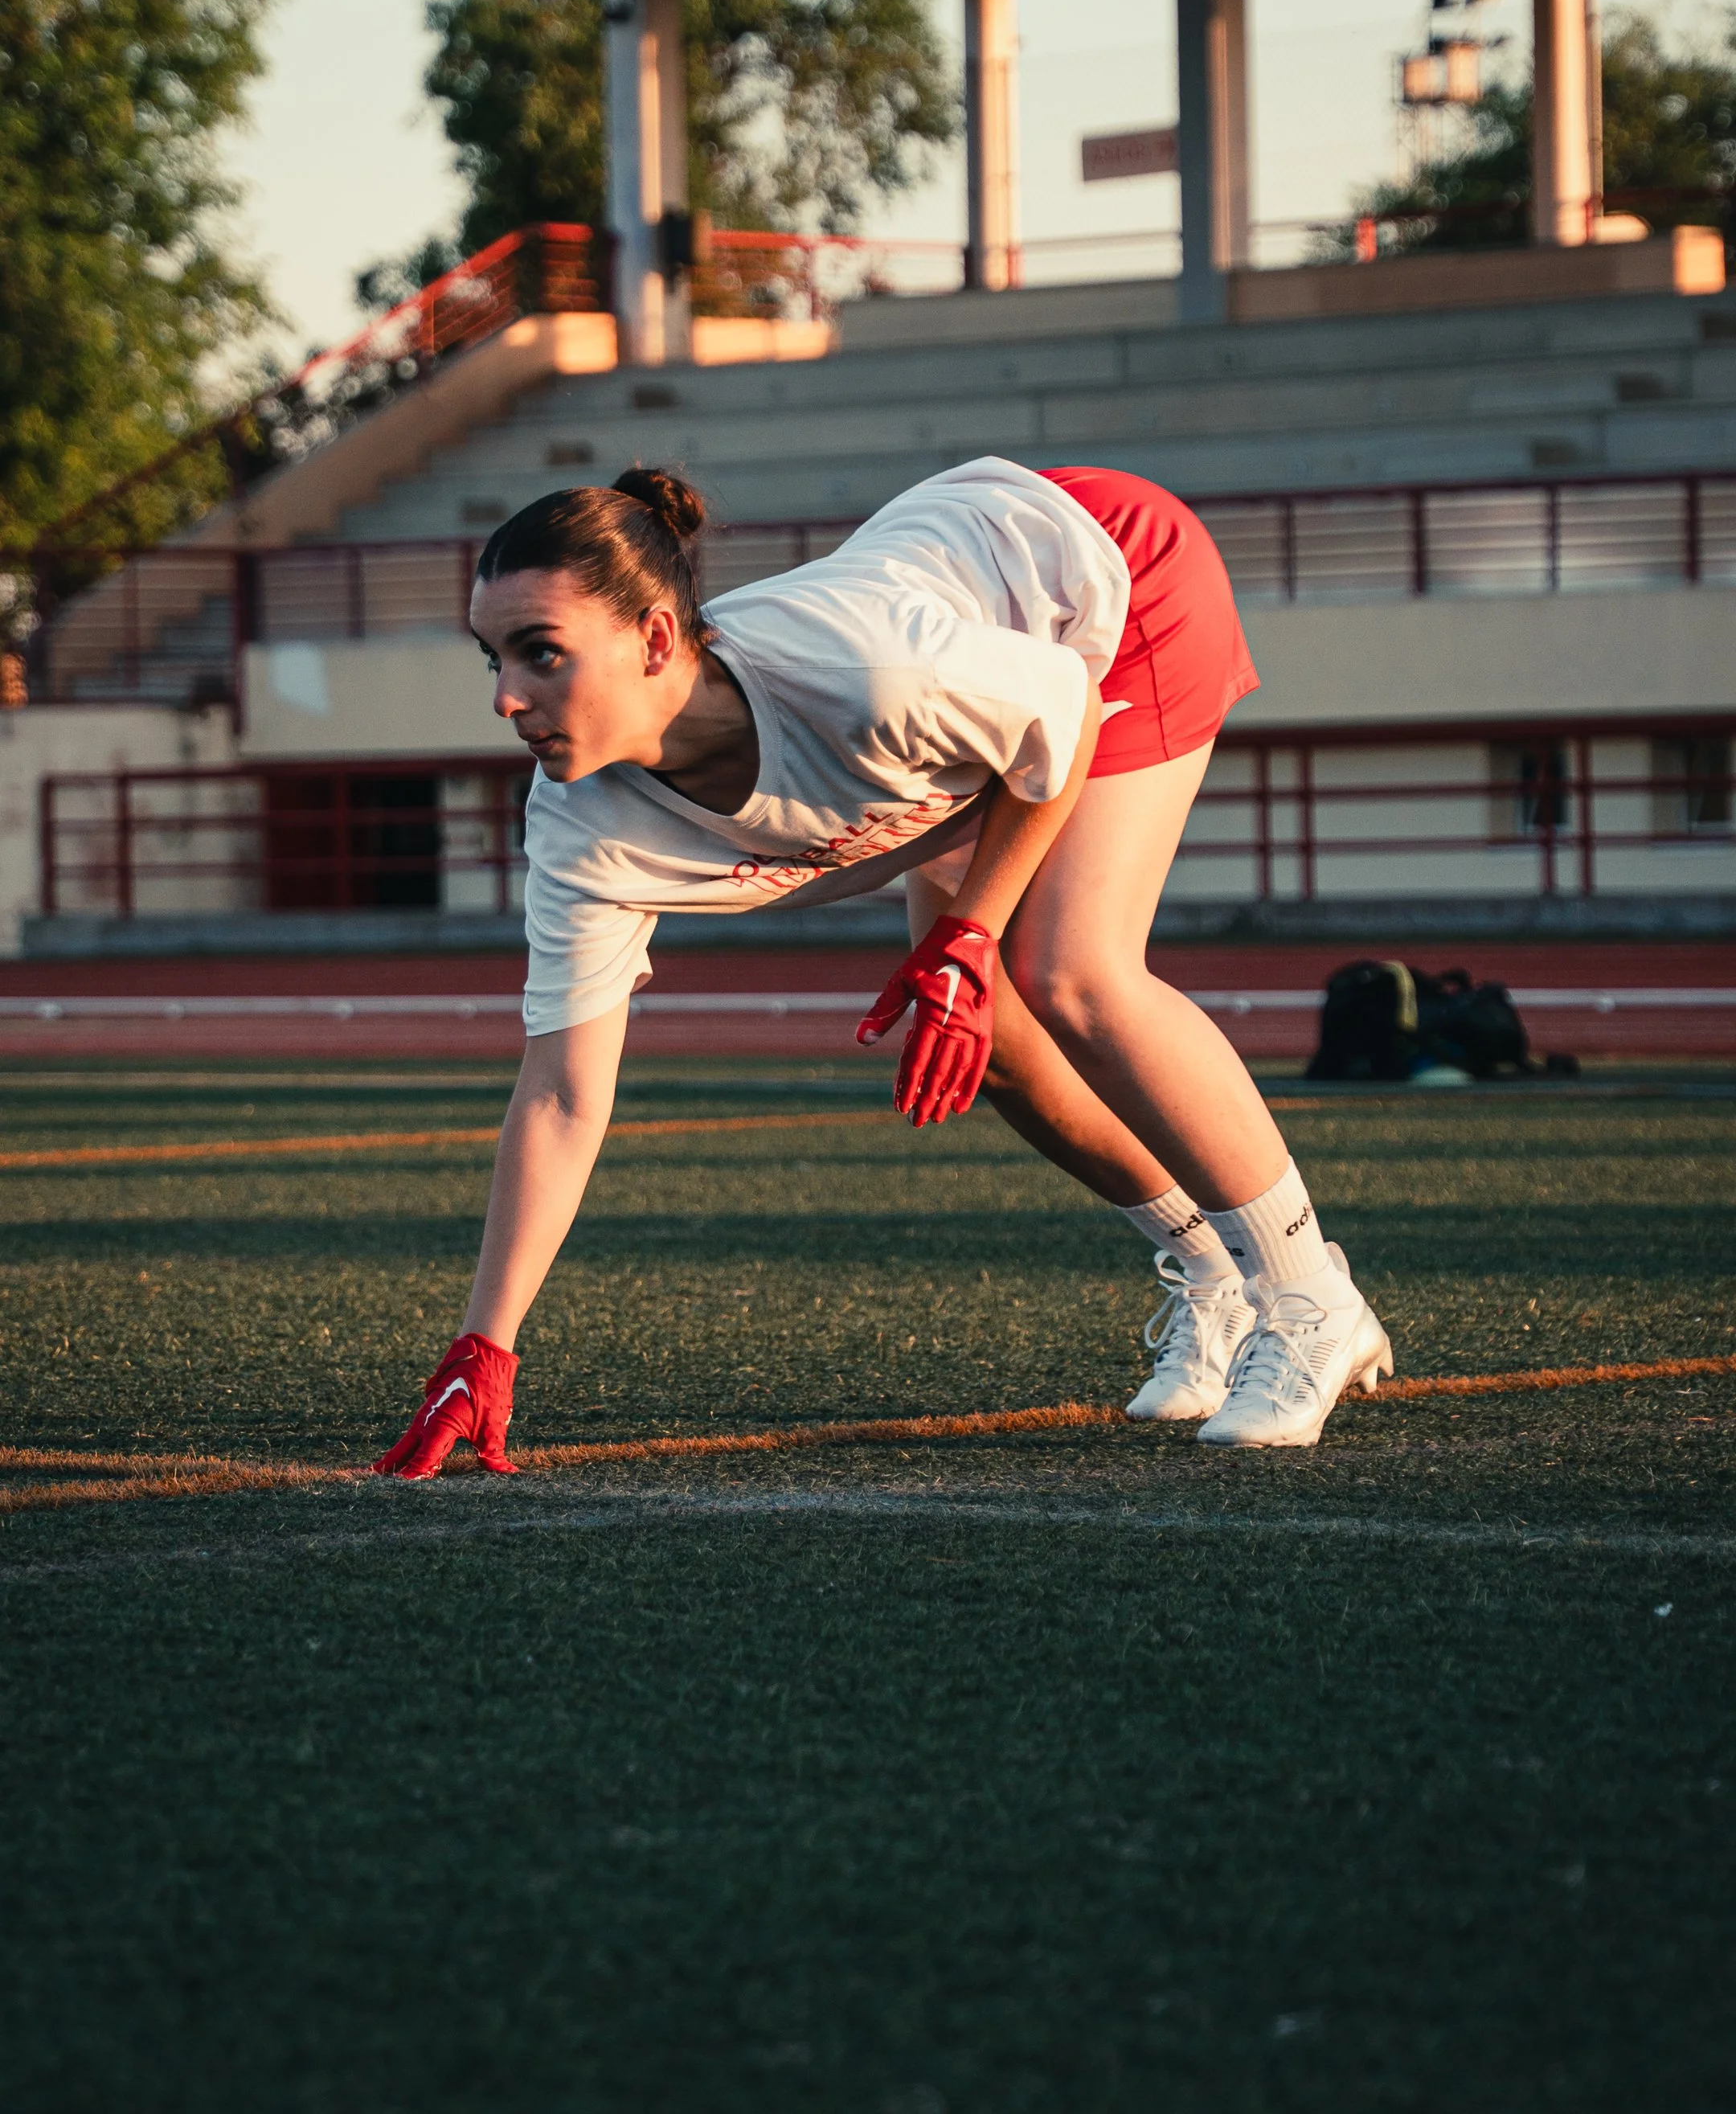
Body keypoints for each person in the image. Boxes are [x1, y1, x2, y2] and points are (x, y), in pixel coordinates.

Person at [372, 458, 1391, 1481]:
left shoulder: (865, 673)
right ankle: (1216, 1274)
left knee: (1066, 971)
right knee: (993, 1045)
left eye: (541, 653)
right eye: (493, 659)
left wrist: (973, 932)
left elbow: (1064, 712)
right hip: (974, 706)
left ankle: (1311, 1299)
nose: (506, 698)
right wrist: (485, 1344)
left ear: (655, 640)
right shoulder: (578, 831)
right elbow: (561, 1096)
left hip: (1109, 574)